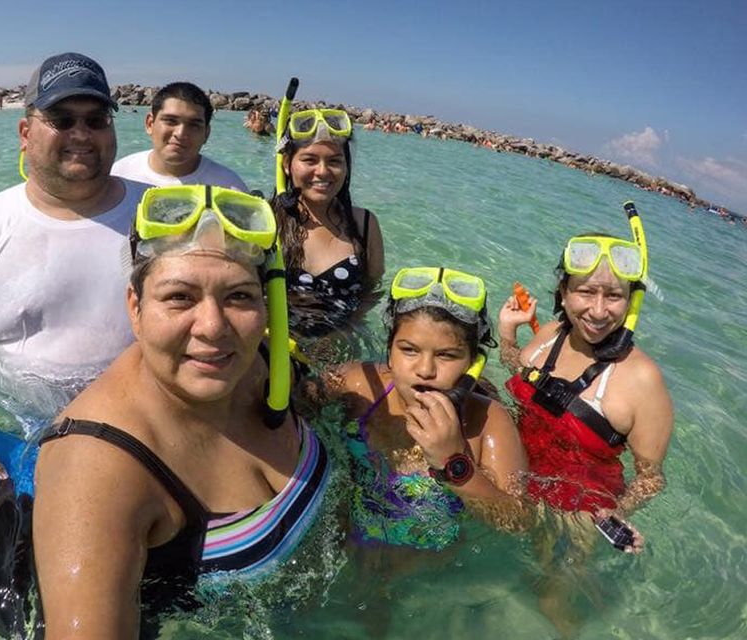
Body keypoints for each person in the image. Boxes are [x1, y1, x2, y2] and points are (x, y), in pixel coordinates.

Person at [32, 185, 338, 638]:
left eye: (239, 296)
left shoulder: (259, 363)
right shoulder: (96, 469)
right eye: (179, 297)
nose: (213, 327)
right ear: (135, 307)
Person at [0, 52, 148, 498]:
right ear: (25, 133)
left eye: (96, 119)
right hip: (21, 439)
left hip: (149, 434)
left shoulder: (163, 217)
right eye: (62, 119)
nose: (81, 134)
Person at [497, 207, 673, 636]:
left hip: (574, 513)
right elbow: (520, 376)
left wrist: (612, 514)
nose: (598, 310)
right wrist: (507, 334)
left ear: (631, 300)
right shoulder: (551, 334)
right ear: (563, 291)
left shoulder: (641, 379)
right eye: (585, 292)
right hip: (516, 479)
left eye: (613, 296)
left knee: (551, 603)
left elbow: (651, 478)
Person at [321, 267, 527, 550]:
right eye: (409, 350)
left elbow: (517, 522)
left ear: (471, 362)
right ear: (390, 351)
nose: (425, 370)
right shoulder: (358, 385)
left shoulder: (487, 422)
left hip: (426, 564)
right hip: (346, 547)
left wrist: (453, 462)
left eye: (447, 355)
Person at [272, 108, 385, 345]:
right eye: (309, 160)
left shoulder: (364, 225)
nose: (322, 171)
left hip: (340, 346)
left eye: (334, 161)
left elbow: (372, 291)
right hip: (273, 344)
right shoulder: (267, 218)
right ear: (287, 164)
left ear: (346, 166)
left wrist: (339, 335)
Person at [112, 82, 247, 190]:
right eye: (171, 121)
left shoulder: (229, 188)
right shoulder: (119, 176)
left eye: (194, 125)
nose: (180, 133)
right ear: (150, 124)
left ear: (206, 134)